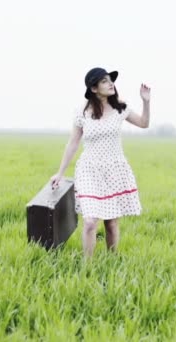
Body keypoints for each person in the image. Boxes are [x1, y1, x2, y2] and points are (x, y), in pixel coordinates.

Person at [50, 67, 151, 257]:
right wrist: (60, 172)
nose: (111, 83)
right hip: (89, 170)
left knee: (111, 224)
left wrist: (146, 102)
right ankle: (87, 268)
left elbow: (144, 123)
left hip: (115, 170)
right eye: (104, 81)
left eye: (111, 80)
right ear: (94, 88)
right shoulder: (83, 111)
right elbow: (73, 143)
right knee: (89, 222)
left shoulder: (120, 107)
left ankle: (111, 261)